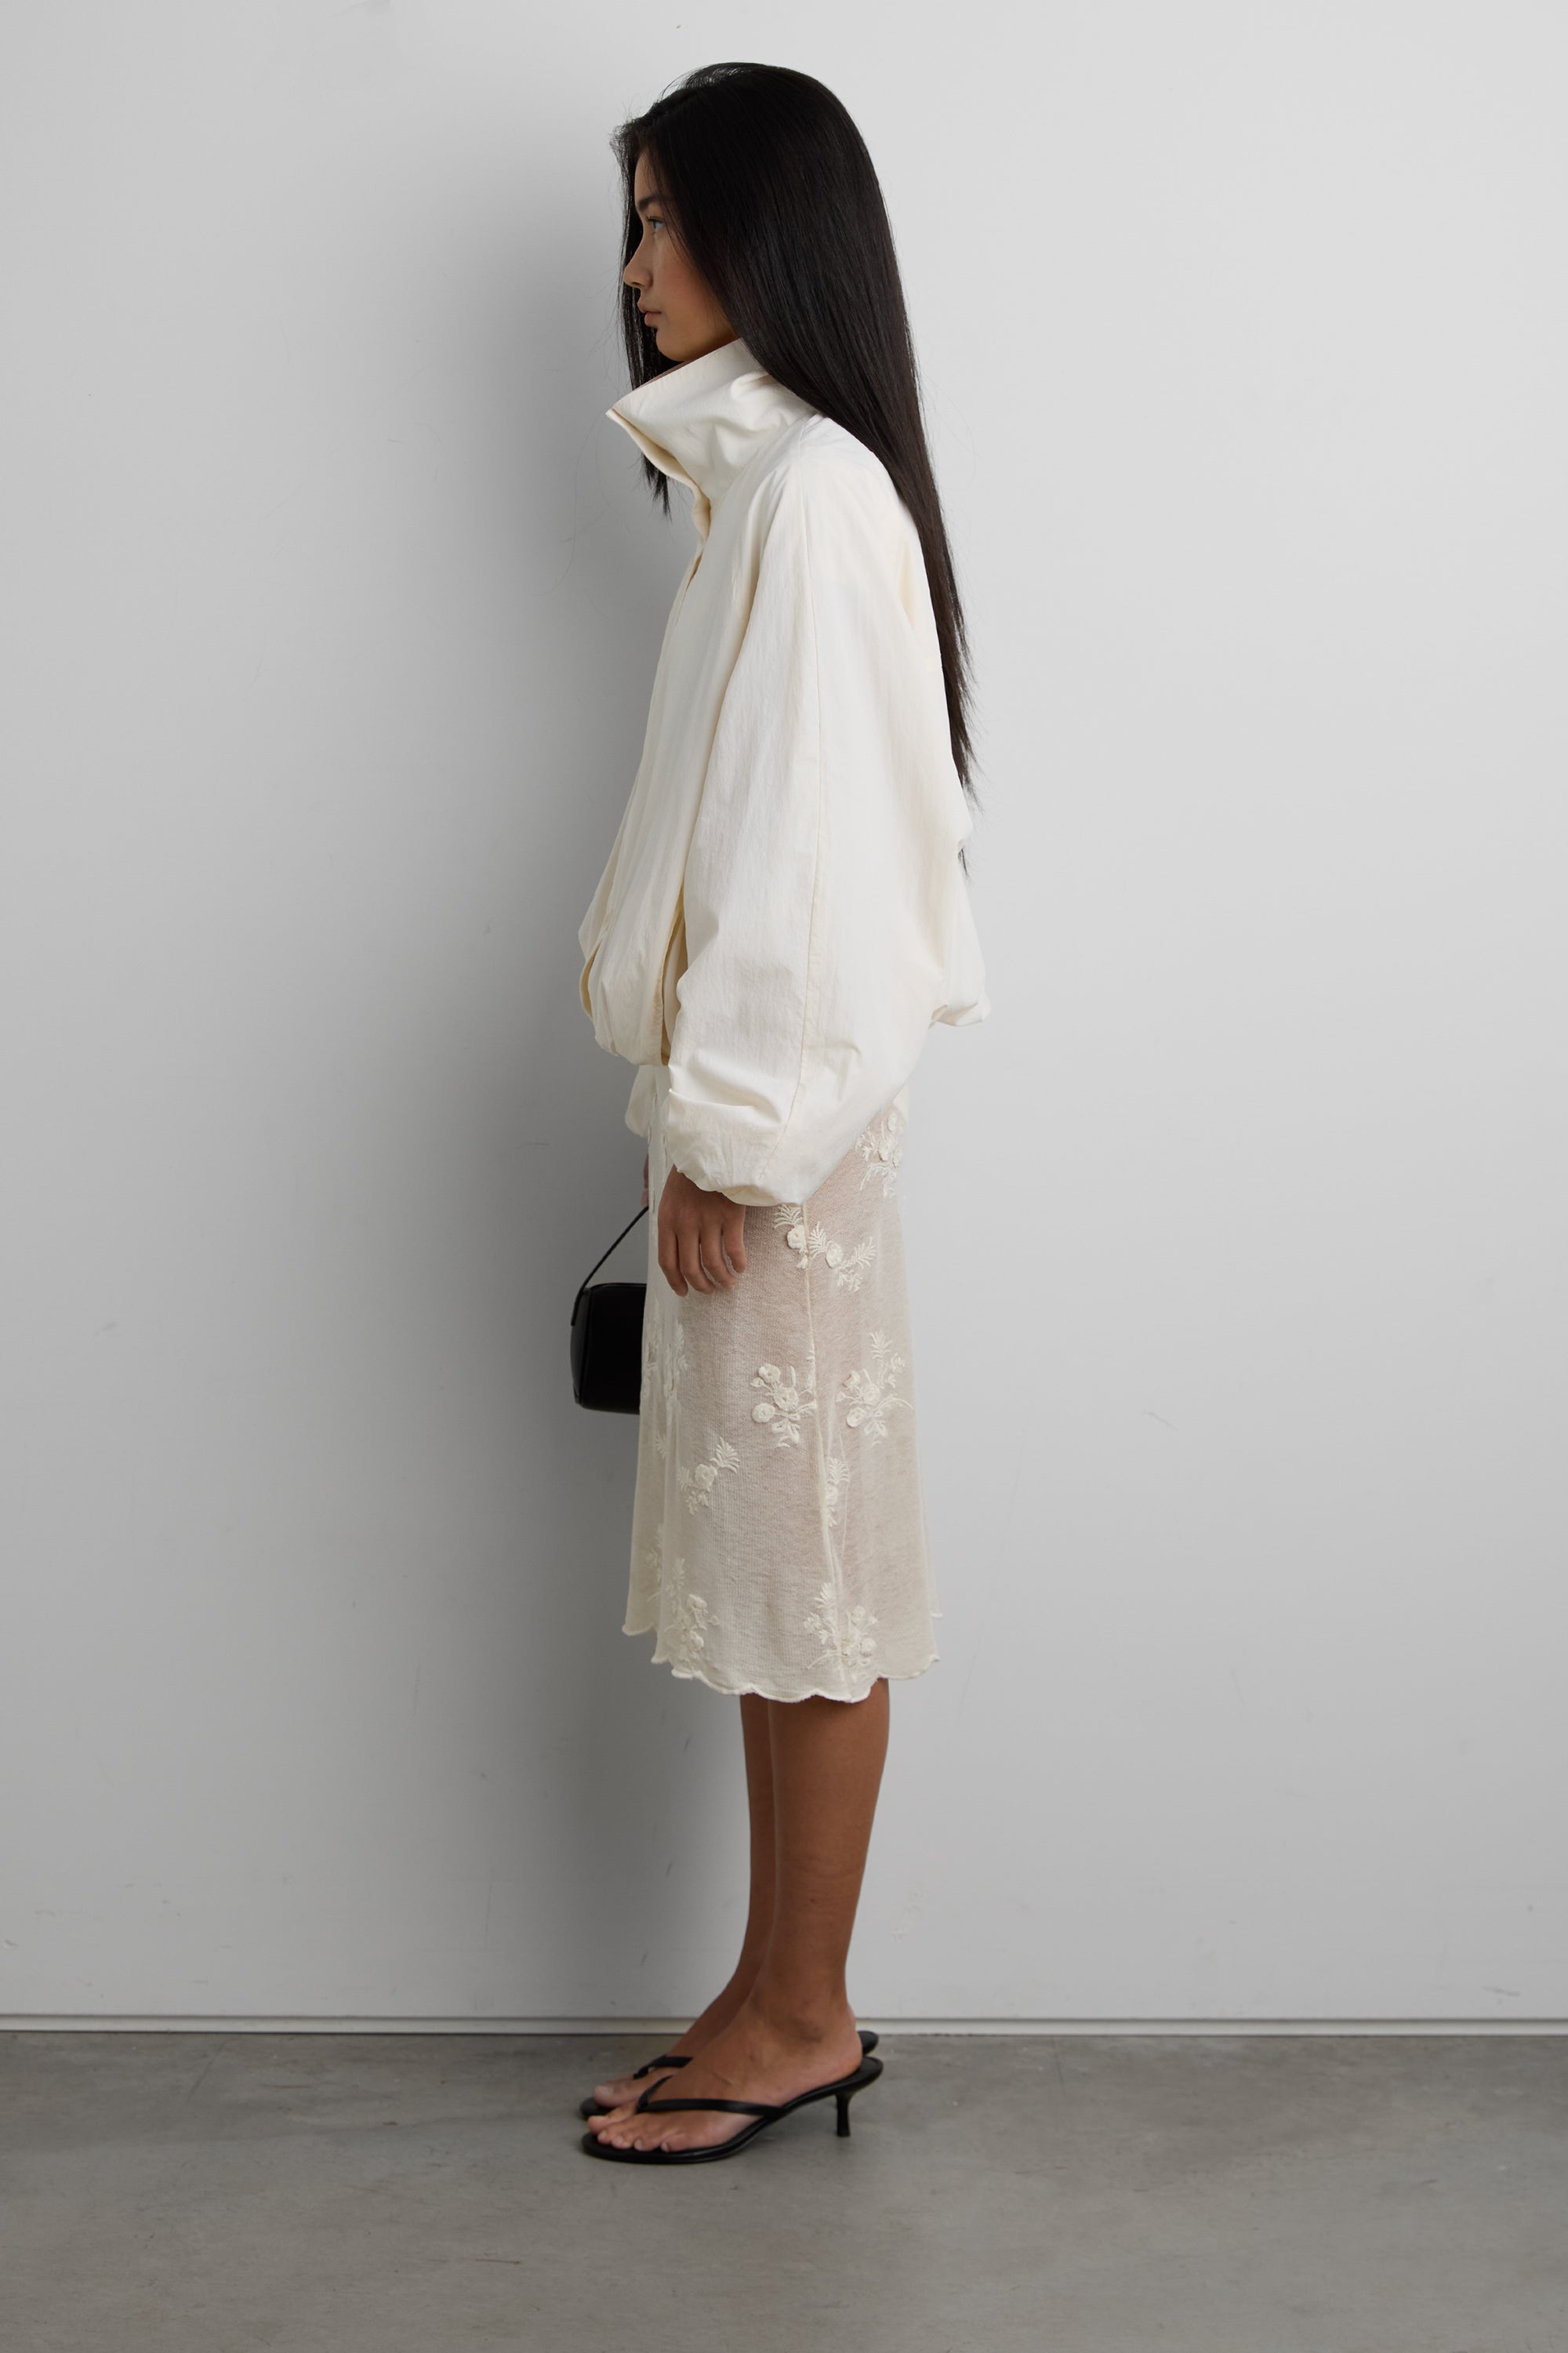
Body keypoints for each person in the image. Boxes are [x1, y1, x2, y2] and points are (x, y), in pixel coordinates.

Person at [575, 62, 989, 2165]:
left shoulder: (812, 496)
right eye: (635, 224)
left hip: (780, 1127)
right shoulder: (768, 490)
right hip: (755, 1115)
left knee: (806, 1565)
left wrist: (731, 1134)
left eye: (663, 219)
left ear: (765, 229)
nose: (635, 267)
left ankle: (805, 2015)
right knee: (771, 1560)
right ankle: (768, 1990)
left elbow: (812, 861)